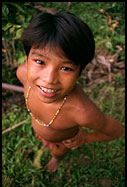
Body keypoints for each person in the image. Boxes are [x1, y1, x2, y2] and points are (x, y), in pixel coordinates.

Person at [16, 11, 123, 172]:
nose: (49, 78)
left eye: (66, 68)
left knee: (58, 151)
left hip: (62, 140)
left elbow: (116, 131)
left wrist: (86, 137)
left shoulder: (82, 112)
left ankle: (56, 159)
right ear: (27, 58)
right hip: (40, 129)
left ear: (79, 72)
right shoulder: (23, 74)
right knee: (43, 138)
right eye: (40, 62)